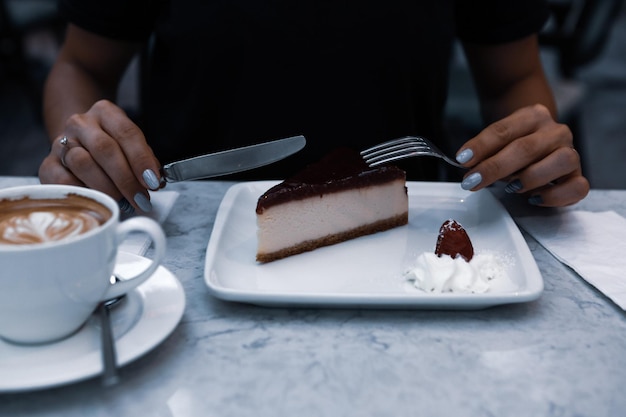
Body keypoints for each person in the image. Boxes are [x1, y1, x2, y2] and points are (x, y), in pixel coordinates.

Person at [38, 0, 589, 213]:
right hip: (182, 229)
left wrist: (526, 154)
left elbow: (514, 76)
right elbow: (81, 67)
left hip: (406, 230)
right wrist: (81, 145)